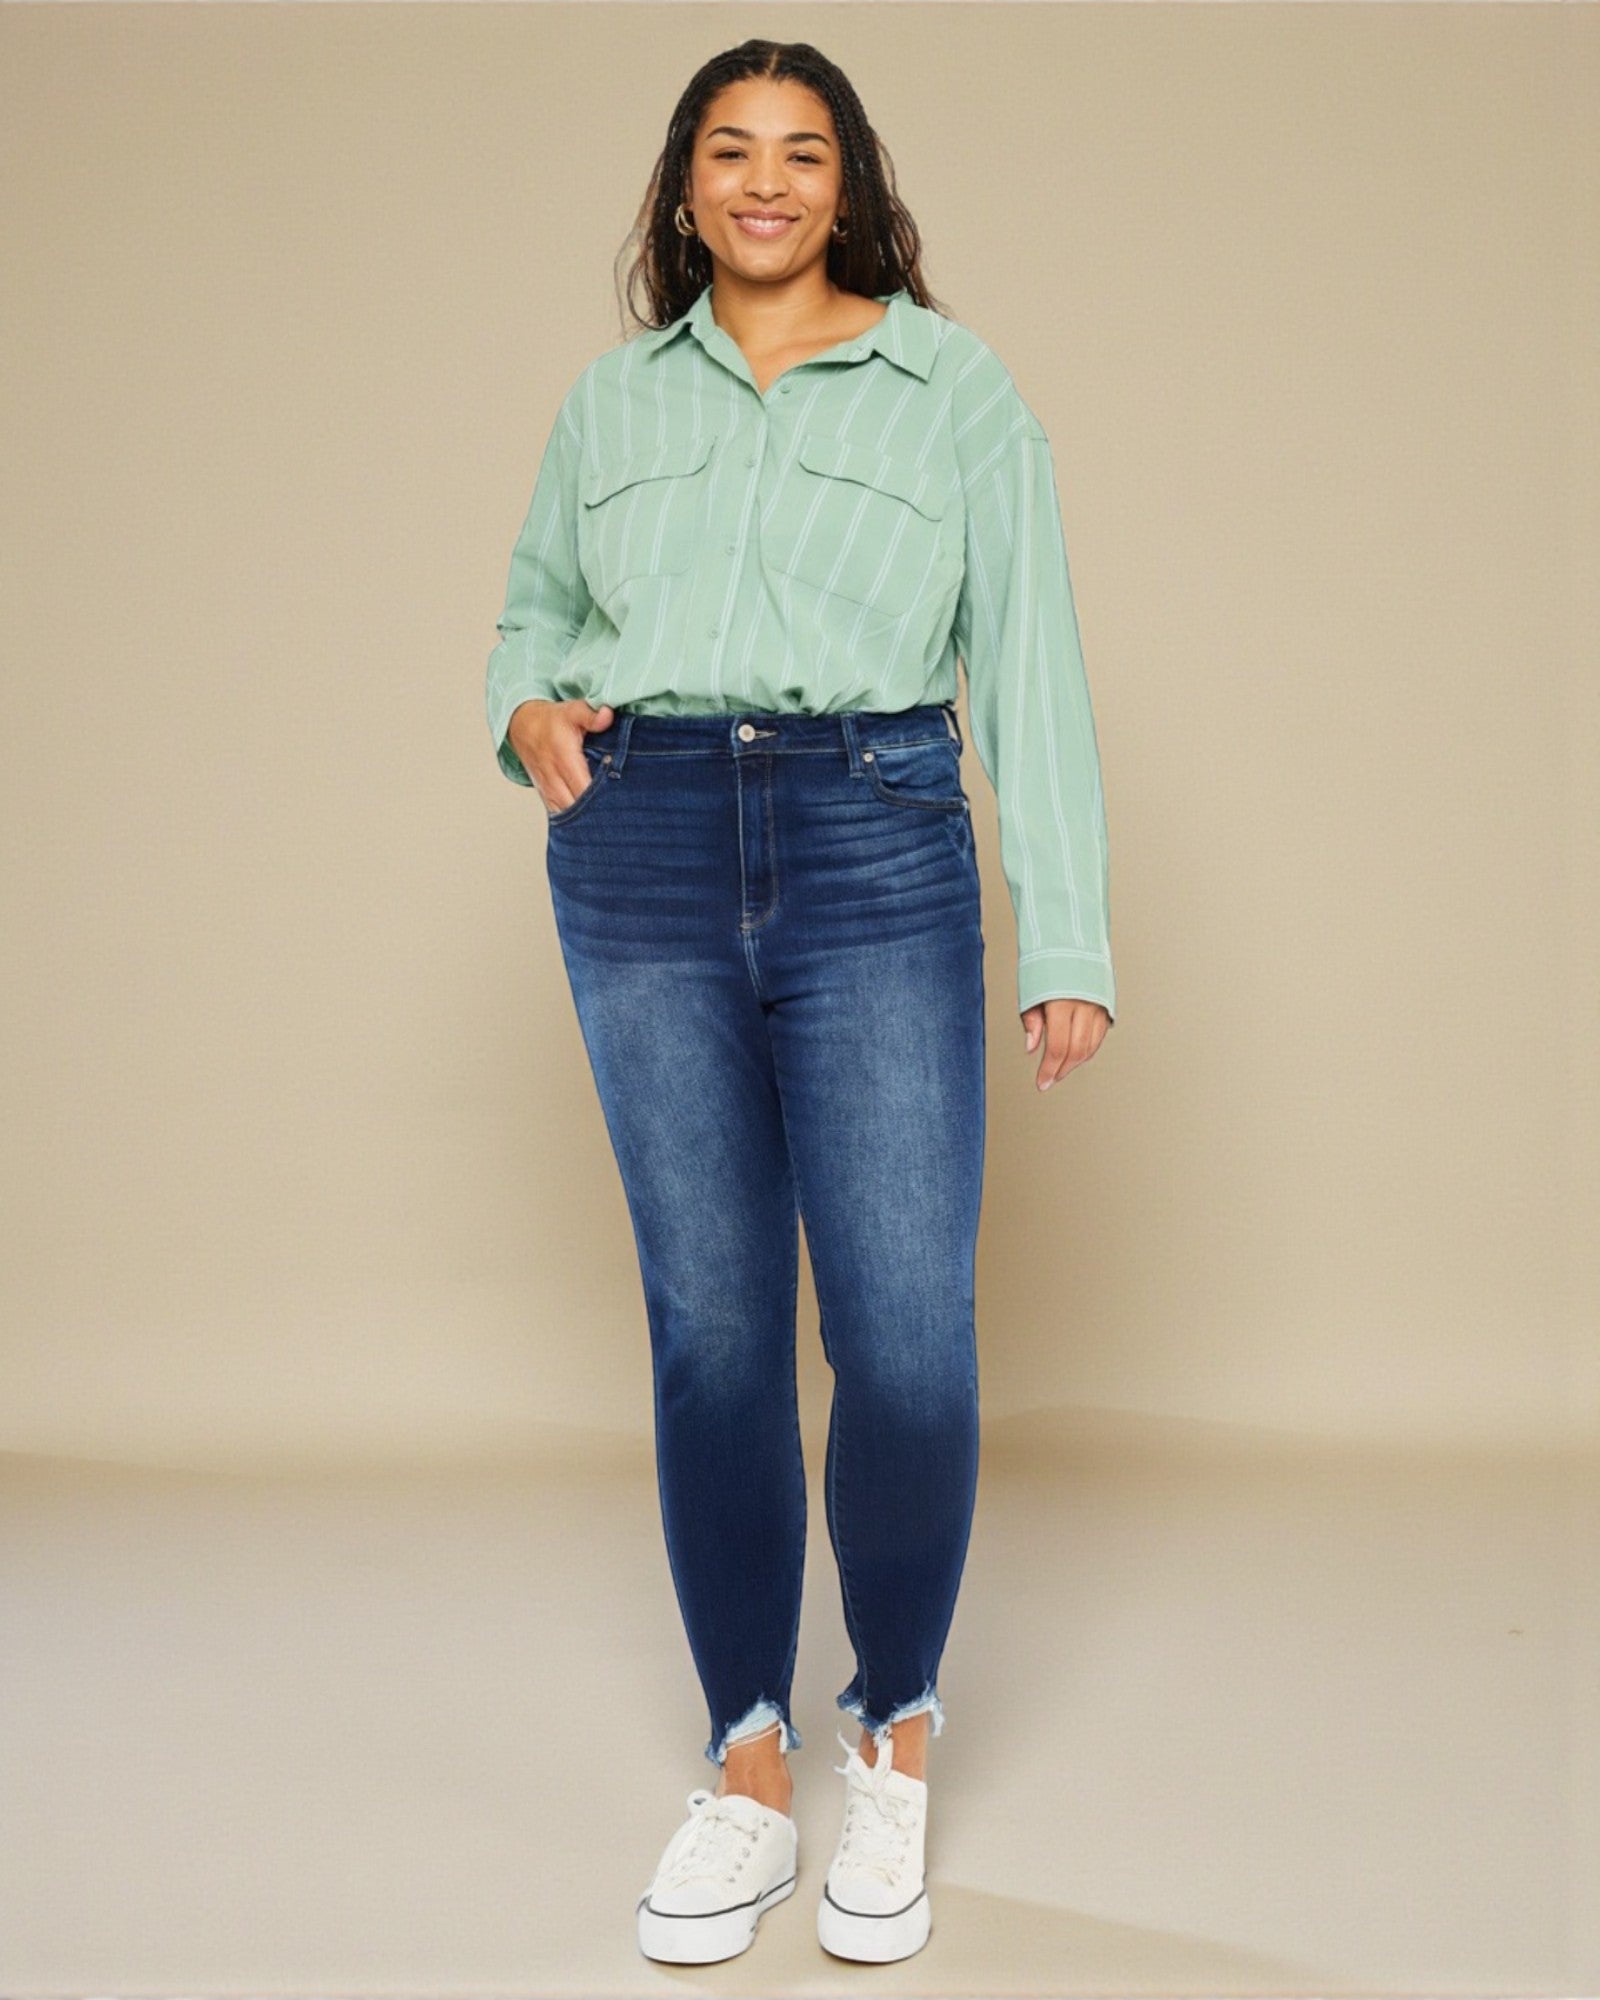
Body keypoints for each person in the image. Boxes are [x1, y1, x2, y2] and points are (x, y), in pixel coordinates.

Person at [484, 38, 1116, 1970]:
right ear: (685, 188)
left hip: (873, 837)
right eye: (730, 151)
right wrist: (525, 716)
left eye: (804, 151)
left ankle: (894, 1723)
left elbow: (1033, 661)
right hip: (647, 847)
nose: (766, 181)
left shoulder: (955, 386)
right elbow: (532, 615)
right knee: (713, 1335)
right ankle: (750, 1764)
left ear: (850, 184)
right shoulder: (607, 402)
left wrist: (1067, 931)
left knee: (909, 1335)